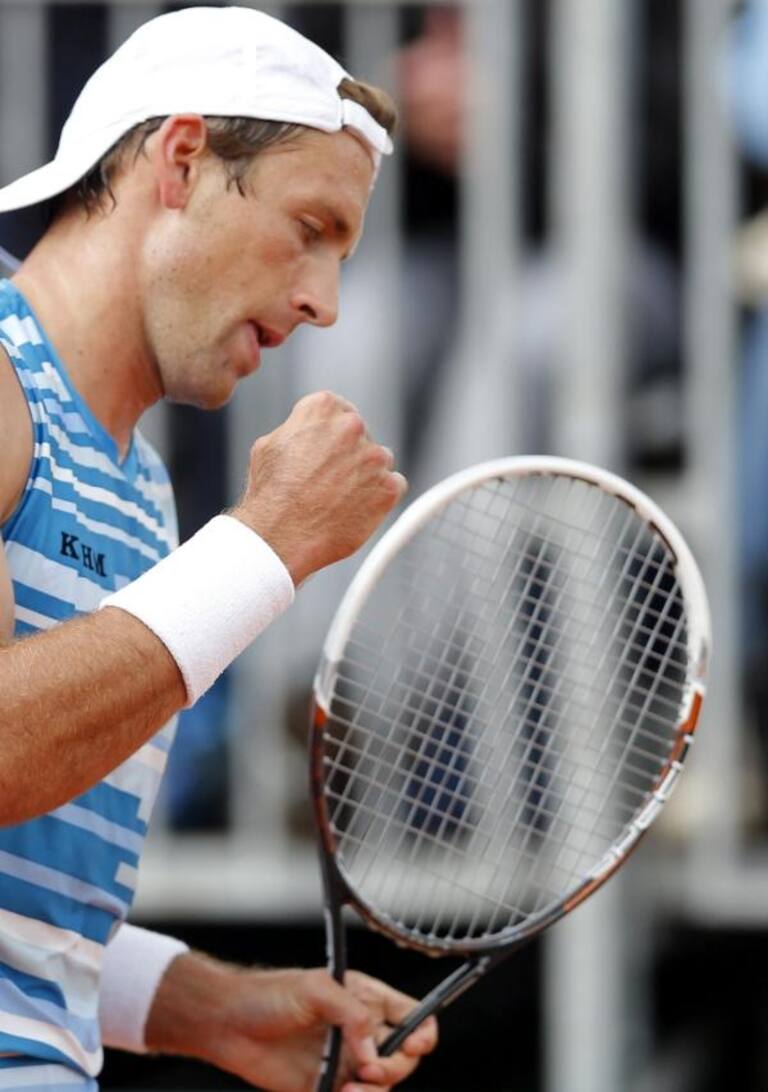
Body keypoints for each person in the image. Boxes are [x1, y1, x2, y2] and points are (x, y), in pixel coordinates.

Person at [0, 6, 437, 1091]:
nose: (324, 303)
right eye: (310, 228)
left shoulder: (145, 495)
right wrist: (262, 548)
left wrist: (210, 1010)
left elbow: (29, 916)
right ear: (182, 159)